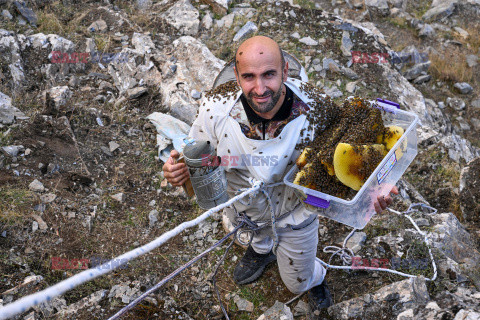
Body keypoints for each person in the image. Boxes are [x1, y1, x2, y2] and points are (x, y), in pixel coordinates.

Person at [163, 35, 398, 317]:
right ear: (236, 76)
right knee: (250, 237)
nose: (260, 88)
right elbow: (198, 157)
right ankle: (262, 250)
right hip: (244, 210)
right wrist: (181, 171)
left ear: (285, 72)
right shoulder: (214, 110)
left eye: (269, 74)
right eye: (249, 76)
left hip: (295, 215)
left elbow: (351, 160)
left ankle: (316, 277)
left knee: (295, 282)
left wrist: (373, 193)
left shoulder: (318, 112)